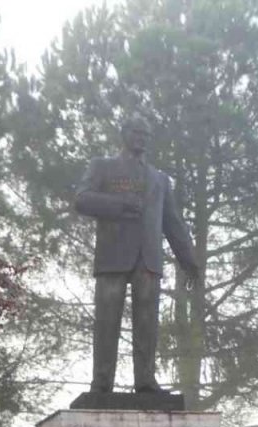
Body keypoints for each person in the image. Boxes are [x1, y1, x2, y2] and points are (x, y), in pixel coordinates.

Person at [74, 113, 201, 394]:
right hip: (113, 256)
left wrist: (188, 259)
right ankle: (101, 383)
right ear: (124, 134)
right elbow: (81, 199)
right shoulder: (102, 167)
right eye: (136, 132)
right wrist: (119, 204)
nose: (141, 138)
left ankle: (145, 380)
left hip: (148, 258)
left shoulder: (159, 179)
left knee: (147, 325)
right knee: (107, 321)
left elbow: (172, 221)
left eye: (146, 134)